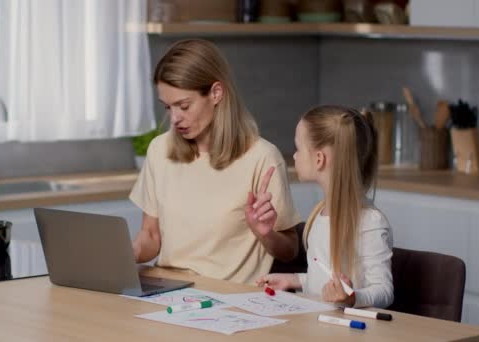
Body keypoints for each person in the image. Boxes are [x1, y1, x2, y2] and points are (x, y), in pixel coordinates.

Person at [130, 39, 300, 284]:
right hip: (166, 290)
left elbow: (289, 250)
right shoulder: (160, 150)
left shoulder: (261, 157)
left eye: (184, 105)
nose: (175, 118)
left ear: (216, 93)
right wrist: (129, 253)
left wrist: (265, 234)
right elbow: (151, 235)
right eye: (168, 107)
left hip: (228, 299)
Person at [256, 105, 394, 308]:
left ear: (319, 159)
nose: (294, 156)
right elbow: (323, 276)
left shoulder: (370, 221)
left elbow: (384, 291)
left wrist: (352, 298)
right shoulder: (320, 213)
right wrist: (294, 280)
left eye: (298, 148)